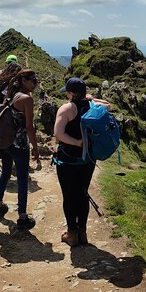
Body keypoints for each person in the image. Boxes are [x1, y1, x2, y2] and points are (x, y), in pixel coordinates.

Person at [53, 77, 111, 247]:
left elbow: (58, 133)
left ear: (71, 93)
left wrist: (77, 142)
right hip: (88, 159)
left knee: (69, 195)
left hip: (68, 160)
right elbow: (108, 104)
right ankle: (83, 233)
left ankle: (72, 234)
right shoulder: (94, 106)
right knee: (83, 193)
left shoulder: (67, 108)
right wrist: (92, 99)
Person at [0, 69, 40, 230]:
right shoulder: (26, 99)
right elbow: (29, 127)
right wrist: (35, 148)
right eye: (32, 80)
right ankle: (22, 217)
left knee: (5, 172)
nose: (35, 83)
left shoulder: (11, 94)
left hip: (6, 142)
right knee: (22, 178)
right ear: (23, 81)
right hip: (19, 144)